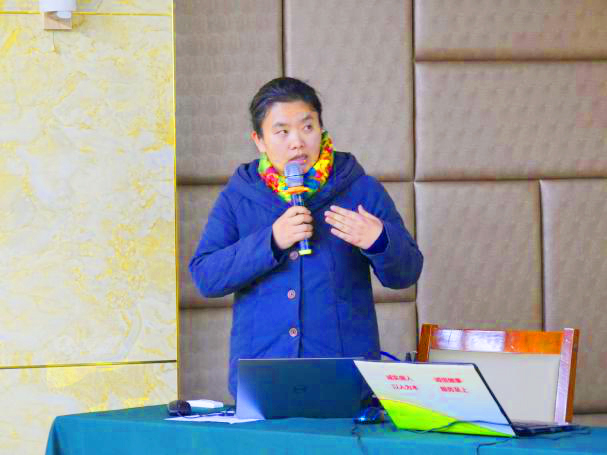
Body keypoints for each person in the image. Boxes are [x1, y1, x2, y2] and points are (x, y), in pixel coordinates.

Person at [189, 77, 423, 398]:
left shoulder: (361, 189)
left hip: (343, 381)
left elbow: (406, 274)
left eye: (307, 127)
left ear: (322, 130)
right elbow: (206, 277)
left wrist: (379, 240)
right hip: (263, 381)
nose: (297, 142)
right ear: (259, 140)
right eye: (282, 132)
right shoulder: (239, 196)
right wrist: (271, 241)